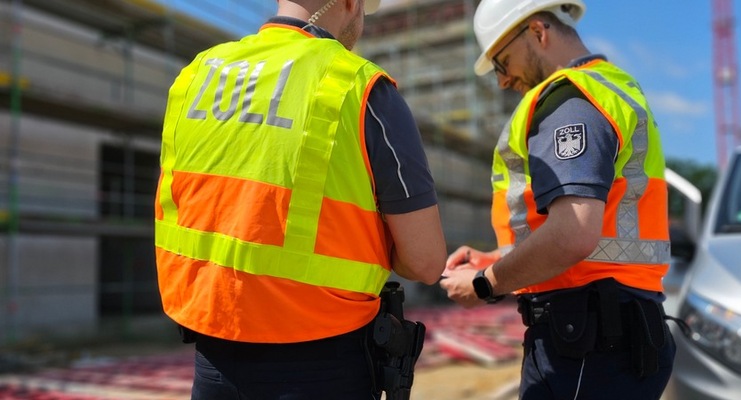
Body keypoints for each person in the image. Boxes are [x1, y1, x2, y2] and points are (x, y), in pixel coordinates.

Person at [154, 0, 447, 398]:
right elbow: (426, 261)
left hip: (213, 359)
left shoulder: (196, 74)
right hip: (323, 362)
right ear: (349, 3)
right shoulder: (359, 85)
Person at [439, 0, 676, 399]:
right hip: (610, 334)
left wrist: (484, 284)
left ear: (537, 32)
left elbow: (574, 234)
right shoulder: (611, 87)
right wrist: (498, 260)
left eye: (502, 61)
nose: (502, 80)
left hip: (587, 343)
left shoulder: (570, 103)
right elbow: (593, 240)